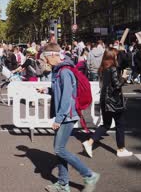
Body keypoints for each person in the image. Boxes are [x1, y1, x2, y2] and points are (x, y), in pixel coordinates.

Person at [38, 43, 100, 192]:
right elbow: (61, 90)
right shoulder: (61, 70)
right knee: (59, 150)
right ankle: (63, 183)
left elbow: (67, 98)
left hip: (67, 115)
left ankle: (89, 175)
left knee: (59, 149)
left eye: (46, 58)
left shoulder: (64, 71)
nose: (45, 62)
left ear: (53, 55)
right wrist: (47, 89)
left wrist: (58, 119)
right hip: (67, 114)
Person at [82, 48, 133, 158]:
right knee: (120, 124)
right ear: (112, 57)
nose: (117, 57)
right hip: (114, 101)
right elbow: (117, 85)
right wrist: (124, 78)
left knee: (106, 124)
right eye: (116, 55)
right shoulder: (113, 68)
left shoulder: (103, 68)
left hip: (104, 99)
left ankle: (89, 142)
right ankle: (121, 149)